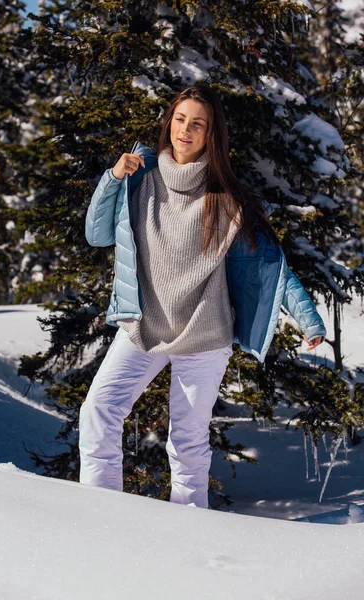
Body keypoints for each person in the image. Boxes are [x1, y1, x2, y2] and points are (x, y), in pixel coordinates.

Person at [79, 84, 326, 509]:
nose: (185, 130)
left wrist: (310, 320)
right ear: (169, 123)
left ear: (211, 133)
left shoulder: (227, 197)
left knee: (188, 441)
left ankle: (189, 534)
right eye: (180, 120)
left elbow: (271, 267)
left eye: (197, 124)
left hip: (204, 336)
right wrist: (112, 178)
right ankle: (101, 516)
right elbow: (97, 234)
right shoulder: (140, 179)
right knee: (98, 410)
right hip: (143, 326)